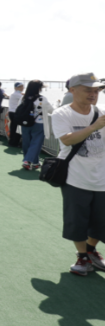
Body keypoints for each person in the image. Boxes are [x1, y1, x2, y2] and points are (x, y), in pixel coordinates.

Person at [50, 73, 105, 276]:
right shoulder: (61, 114)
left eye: (96, 90)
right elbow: (66, 140)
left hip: (101, 176)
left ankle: (90, 250)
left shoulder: (101, 112)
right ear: (72, 90)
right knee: (77, 219)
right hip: (75, 177)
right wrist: (94, 127)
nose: (93, 94)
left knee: (101, 220)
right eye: (88, 89)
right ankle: (82, 257)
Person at [19, 80, 54, 170]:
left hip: (25, 123)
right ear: (38, 88)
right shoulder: (42, 99)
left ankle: (35, 162)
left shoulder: (23, 98)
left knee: (26, 142)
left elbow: (18, 109)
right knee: (36, 143)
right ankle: (27, 161)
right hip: (39, 123)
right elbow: (51, 110)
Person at [8, 82, 24, 147]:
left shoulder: (14, 94)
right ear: (15, 88)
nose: (21, 88)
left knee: (13, 127)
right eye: (19, 87)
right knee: (16, 128)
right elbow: (25, 99)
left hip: (12, 112)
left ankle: (12, 142)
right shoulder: (17, 94)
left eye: (22, 86)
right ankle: (14, 143)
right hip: (15, 113)